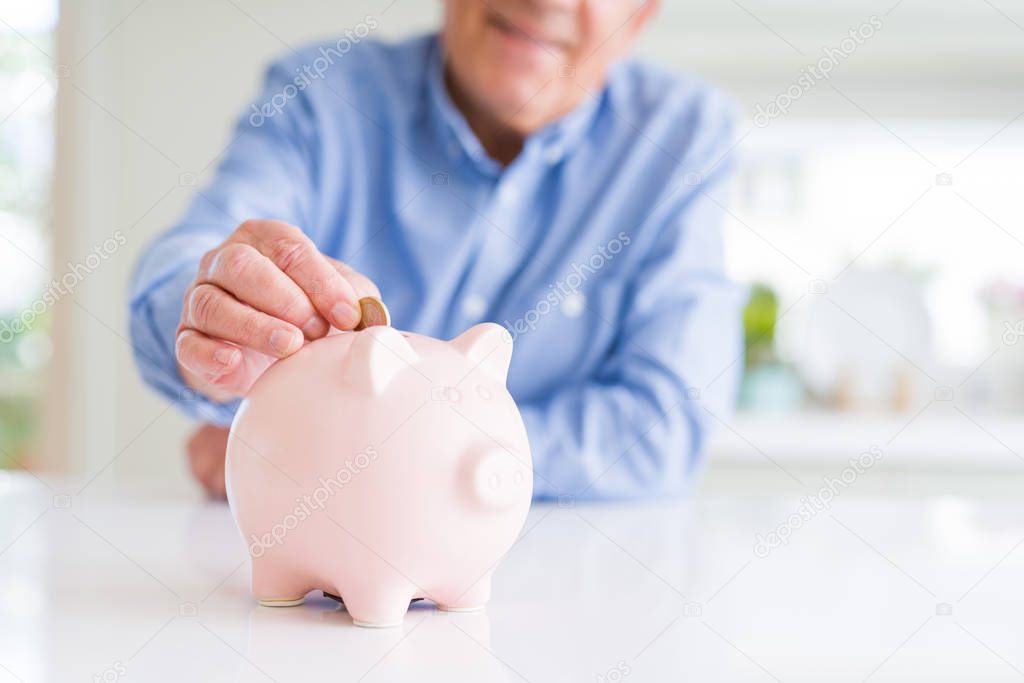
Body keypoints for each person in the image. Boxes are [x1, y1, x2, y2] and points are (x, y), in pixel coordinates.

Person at [129, 0, 745, 501]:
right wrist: (213, 321)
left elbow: (664, 427)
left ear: (638, 18)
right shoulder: (321, 95)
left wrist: (359, 448)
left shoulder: (684, 137)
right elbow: (188, 262)